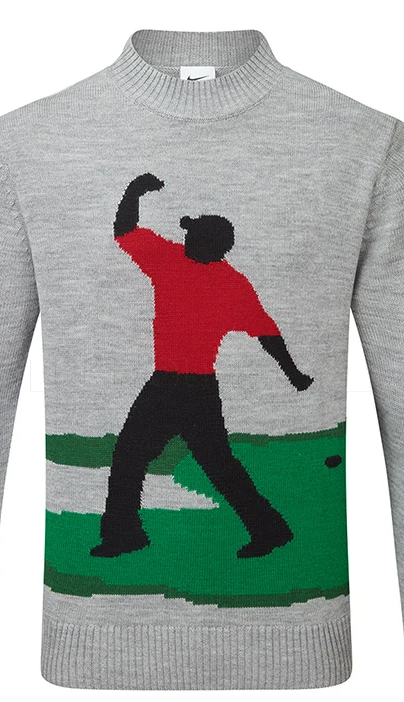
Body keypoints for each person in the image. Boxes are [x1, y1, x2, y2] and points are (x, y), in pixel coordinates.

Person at [90, 173, 314, 559]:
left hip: (188, 389)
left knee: (198, 462)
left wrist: (293, 373)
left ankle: (267, 529)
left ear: (213, 247)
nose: (186, 240)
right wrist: (133, 192)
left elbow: (267, 334)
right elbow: (125, 231)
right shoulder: (178, 261)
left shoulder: (227, 283)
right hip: (177, 385)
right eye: (188, 235)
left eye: (193, 237)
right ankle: (127, 533)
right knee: (139, 455)